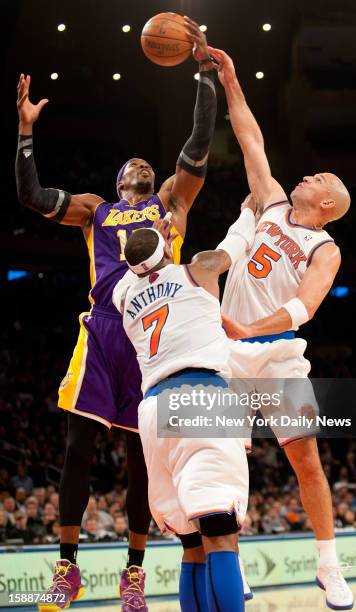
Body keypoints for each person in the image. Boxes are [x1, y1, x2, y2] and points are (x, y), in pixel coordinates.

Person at [15, 17, 217, 612]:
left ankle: (133, 576)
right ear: (115, 180)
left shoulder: (172, 204)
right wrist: (25, 133)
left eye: (146, 166)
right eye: (131, 166)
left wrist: (204, 72)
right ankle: (67, 568)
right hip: (104, 331)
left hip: (153, 338)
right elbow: (30, 196)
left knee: (139, 461)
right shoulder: (95, 211)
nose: (139, 166)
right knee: (78, 448)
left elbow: (199, 145)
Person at [208, 46, 354, 611]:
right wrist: (232, 79)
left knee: (307, 462)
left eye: (317, 176)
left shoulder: (325, 246)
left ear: (324, 201)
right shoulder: (268, 203)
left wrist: (250, 329)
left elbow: (305, 308)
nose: (306, 173)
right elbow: (251, 139)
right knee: (228, 463)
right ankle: (234, 567)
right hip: (229, 351)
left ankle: (329, 568)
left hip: (278, 357)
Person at [113, 203, 257, 611]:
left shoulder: (124, 295)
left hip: (154, 411)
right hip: (201, 395)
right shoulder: (199, 269)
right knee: (221, 537)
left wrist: (155, 245)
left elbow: (137, 263)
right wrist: (248, 212)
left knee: (191, 543)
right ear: (168, 249)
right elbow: (237, 244)